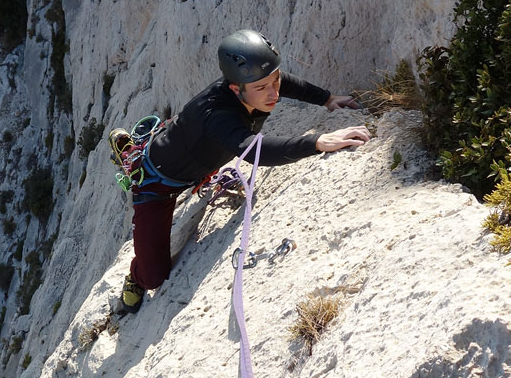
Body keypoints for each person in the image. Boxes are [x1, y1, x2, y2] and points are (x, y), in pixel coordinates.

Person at [119, 29, 371, 313]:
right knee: (154, 277)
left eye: (273, 81)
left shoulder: (253, 85)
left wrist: (326, 98)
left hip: (193, 160)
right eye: (262, 88)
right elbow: (255, 151)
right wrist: (317, 142)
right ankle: (134, 276)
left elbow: (284, 82)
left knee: (203, 144)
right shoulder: (217, 116)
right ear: (235, 89)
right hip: (157, 184)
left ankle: (155, 153)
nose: (274, 93)